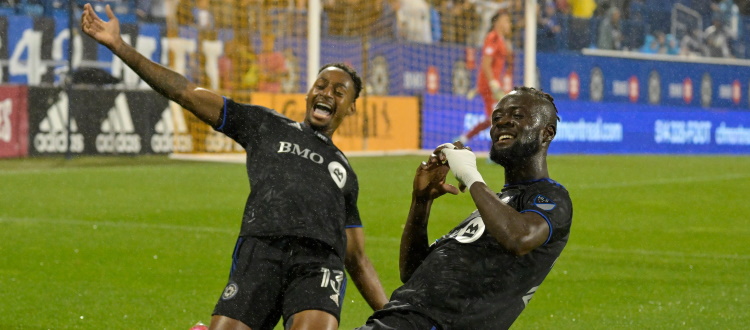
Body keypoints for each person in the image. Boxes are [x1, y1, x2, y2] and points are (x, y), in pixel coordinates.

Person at [80, 4, 388, 330]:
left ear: (351, 108)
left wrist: (393, 314)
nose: (327, 93)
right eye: (321, 85)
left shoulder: (344, 172)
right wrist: (119, 46)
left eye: (339, 92)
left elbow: (356, 258)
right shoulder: (266, 125)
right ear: (310, 92)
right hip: (260, 252)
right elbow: (184, 91)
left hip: (318, 263)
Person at [357, 86, 574, 329]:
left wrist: (470, 176)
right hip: (396, 319)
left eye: (517, 115)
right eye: (497, 117)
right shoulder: (496, 205)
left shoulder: (551, 197)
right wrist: (421, 202)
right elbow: (412, 273)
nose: (503, 122)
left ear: (547, 133)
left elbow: (519, 238)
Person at [457, 10, 512, 146]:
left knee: (493, 118)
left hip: (491, 84)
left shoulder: (500, 39)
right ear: (498, 22)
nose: (509, 24)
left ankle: (463, 140)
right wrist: (492, 84)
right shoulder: (492, 37)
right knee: (498, 118)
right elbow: (486, 64)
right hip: (490, 85)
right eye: (506, 21)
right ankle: (496, 151)